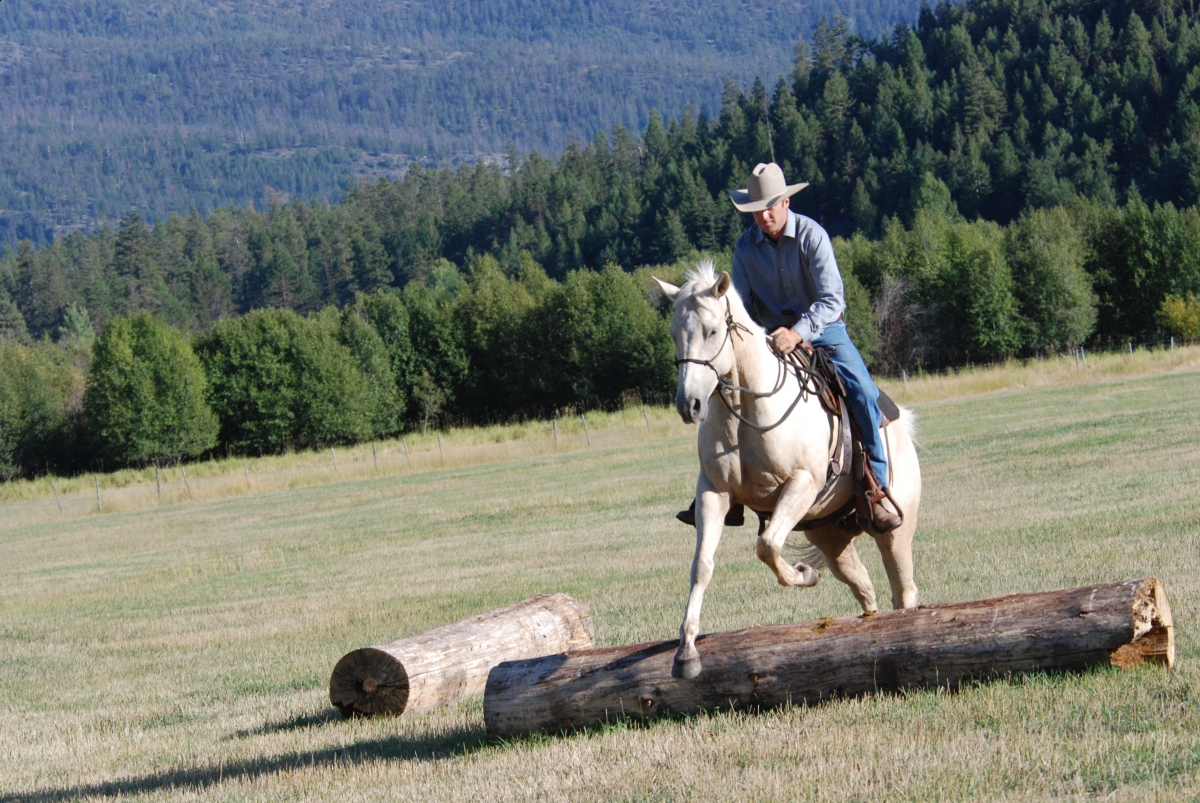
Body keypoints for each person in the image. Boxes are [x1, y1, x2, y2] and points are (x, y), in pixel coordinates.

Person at [677, 162, 901, 532]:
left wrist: (797, 333)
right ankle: (721, 487)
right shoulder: (745, 249)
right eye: (756, 210)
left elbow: (832, 300)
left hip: (824, 332)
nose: (763, 215)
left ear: (785, 202)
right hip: (766, 337)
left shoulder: (813, 236)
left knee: (861, 390)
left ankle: (876, 487)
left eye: (770, 206)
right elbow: (742, 307)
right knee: (722, 386)